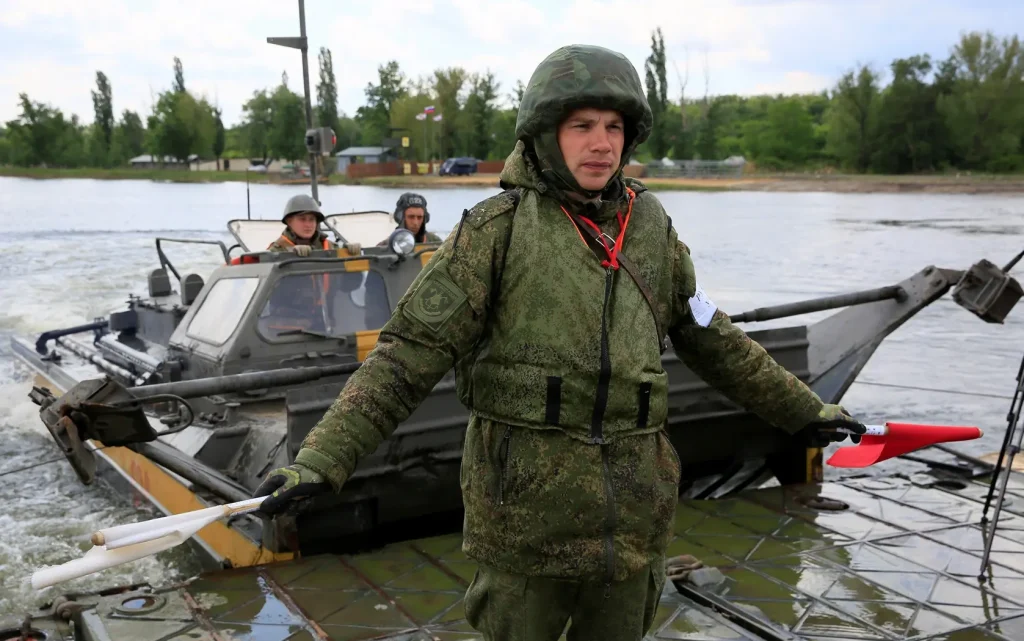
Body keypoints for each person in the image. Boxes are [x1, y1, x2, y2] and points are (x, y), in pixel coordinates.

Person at [254, 44, 866, 641]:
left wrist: (805, 412)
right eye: (582, 125)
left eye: (614, 127)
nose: (602, 143)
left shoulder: (651, 230)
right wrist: (320, 462)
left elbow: (712, 336)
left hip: (632, 526)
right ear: (546, 132)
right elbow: (405, 358)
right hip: (525, 528)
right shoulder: (494, 232)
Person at [267, 194, 361, 256]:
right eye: (302, 219)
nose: (308, 225)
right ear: (289, 221)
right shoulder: (276, 251)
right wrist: (291, 254)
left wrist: (353, 256)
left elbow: (352, 283)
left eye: (312, 219)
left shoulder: (331, 248)